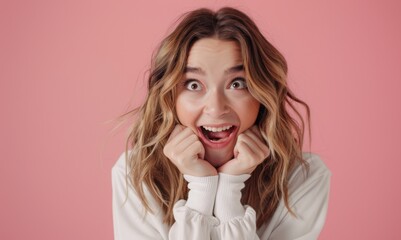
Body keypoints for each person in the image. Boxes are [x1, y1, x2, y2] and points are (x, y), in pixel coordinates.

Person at [112, 7, 331, 240]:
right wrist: (201, 189)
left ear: (262, 93)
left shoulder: (303, 178)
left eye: (237, 84)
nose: (216, 108)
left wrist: (229, 192)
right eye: (194, 85)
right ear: (169, 97)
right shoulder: (134, 173)